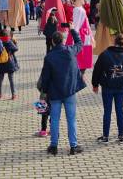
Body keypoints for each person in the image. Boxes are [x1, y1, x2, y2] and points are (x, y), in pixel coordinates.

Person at [39, 27, 86, 156]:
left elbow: (45, 77)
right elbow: (80, 43)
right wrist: (72, 30)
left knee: (54, 119)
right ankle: (73, 146)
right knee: (71, 119)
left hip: (55, 94)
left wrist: (44, 92)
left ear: (53, 42)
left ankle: (54, 146)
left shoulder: (49, 57)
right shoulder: (70, 51)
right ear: (63, 40)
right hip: (70, 92)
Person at [92, 34, 123, 145]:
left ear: (113, 42)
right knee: (119, 110)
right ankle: (121, 136)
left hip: (107, 87)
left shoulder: (104, 55)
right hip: (121, 88)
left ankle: (105, 136)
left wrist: (95, 84)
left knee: (107, 111)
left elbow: (97, 70)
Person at [66, 0, 93, 77]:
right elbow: (76, 27)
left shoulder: (79, 9)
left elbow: (85, 24)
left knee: (81, 62)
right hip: (81, 38)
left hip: (83, 37)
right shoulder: (79, 10)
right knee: (81, 62)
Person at [0, 30, 19, 100]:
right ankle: (13, 95)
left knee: (0, 79)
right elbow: (16, 49)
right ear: (7, 35)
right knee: (11, 79)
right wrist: (14, 43)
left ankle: (0, 94)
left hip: (1, 62)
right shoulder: (9, 42)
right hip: (9, 62)